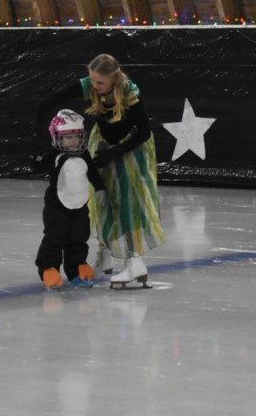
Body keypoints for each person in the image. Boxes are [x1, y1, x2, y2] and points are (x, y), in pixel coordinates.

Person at [32, 54, 164, 288]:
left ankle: (135, 261)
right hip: (102, 145)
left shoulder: (129, 95)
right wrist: (37, 137)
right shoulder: (89, 85)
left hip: (131, 149)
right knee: (101, 200)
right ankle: (104, 254)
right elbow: (47, 102)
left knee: (127, 202)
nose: (94, 86)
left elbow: (144, 133)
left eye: (100, 82)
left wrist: (114, 153)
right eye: (92, 80)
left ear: (114, 78)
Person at [35, 109, 105, 289]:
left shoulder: (84, 155)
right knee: (54, 238)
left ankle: (76, 270)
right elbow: (40, 166)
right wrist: (36, 158)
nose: (73, 141)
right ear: (58, 138)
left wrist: (100, 189)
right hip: (56, 208)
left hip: (80, 207)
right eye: (68, 137)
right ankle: (48, 269)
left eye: (77, 136)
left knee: (79, 238)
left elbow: (93, 174)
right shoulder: (55, 156)